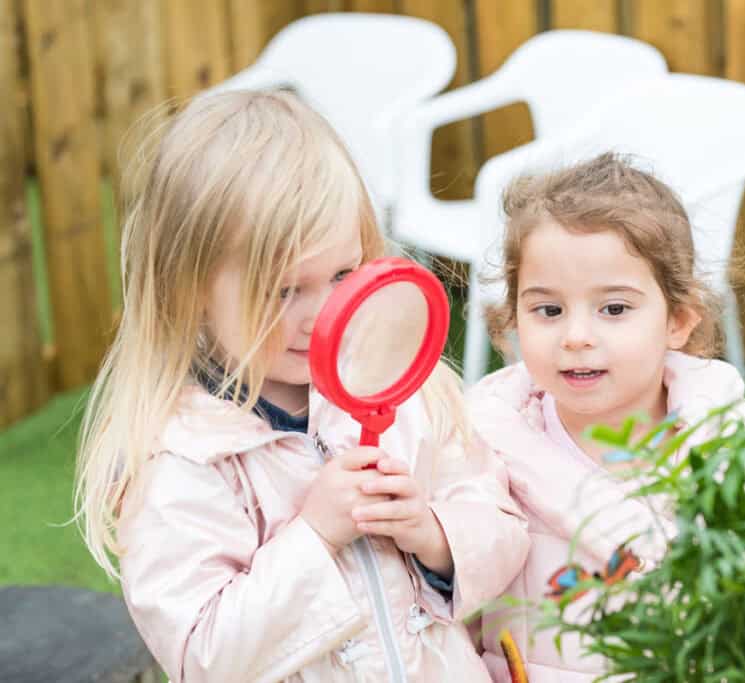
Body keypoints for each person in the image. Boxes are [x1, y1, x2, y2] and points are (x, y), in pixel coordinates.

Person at [74, 90, 529, 683]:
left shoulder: (409, 393)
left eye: (343, 274)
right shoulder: (182, 461)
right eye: (284, 290)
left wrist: (435, 535)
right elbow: (205, 657)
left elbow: (499, 522)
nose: (322, 315)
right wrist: (315, 535)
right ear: (191, 292)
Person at [468, 153, 745, 682]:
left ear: (678, 320)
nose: (575, 336)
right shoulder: (481, 443)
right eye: (548, 310)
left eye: (613, 309)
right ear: (513, 316)